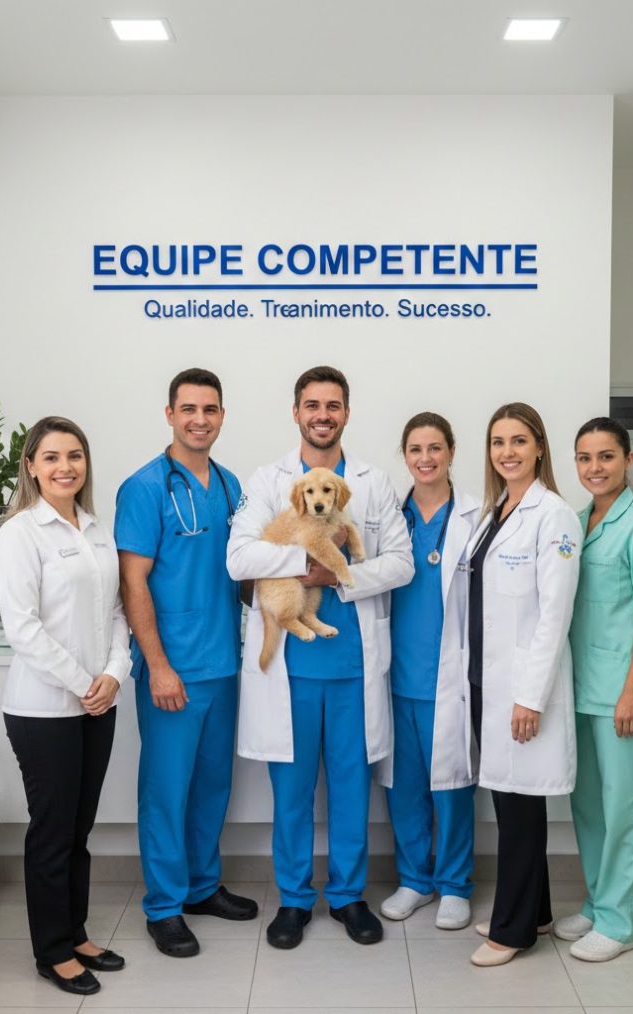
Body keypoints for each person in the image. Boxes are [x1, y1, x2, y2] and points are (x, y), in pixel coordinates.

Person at [227, 365, 414, 950]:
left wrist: (340, 578)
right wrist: (305, 566)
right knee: (292, 790)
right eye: (312, 405)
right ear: (297, 413)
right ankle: (293, 899)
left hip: (354, 664)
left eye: (333, 405)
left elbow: (402, 562)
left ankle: (349, 896)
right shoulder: (268, 481)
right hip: (292, 668)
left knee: (352, 788)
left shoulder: (373, 483)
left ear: (346, 414)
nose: (322, 415)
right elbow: (239, 557)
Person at [115, 368, 257, 960]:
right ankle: (164, 906)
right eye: (190, 409)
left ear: (222, 416)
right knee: (166, 792)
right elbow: (133, 582)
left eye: (211, 409)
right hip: (172, 668)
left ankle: (201, 887)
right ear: (170, 414)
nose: (201, 419)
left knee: (212, 786)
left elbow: (243, 569)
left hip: (223, 663)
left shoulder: (229, 484)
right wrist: (158, 664)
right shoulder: (144, 488)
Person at [0, 416, 131, 996]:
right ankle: (52, 951)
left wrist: (114, 674)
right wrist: (83, 682)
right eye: (51, 457)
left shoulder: (95, 529)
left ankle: (74, 933)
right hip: (43, 709)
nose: (65, 467)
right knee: (52, 831)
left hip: (97, 703)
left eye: (74, 455)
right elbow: (22, 629)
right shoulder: (19, 534)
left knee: (79, 828)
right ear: (30, 465)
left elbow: (117, 611)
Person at [466, 402, 581, 967]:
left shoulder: (553, 516)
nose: (507, 452)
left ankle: (511, 932)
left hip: (521, 689)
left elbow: (554, 616)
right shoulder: (498, 511)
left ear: (539, 447)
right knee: (513, 805)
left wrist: (530, 697)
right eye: (498, 442)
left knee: (518, 811)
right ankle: (534, 912)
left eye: (518, 441)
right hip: (488, 682)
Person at [556, 417, 633, 962]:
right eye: (585, 457)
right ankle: (600, 903)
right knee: (590, 809)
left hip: (624, 694)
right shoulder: (577, 523)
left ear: (628, 459)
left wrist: (632, 692)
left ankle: (621, 923)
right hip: (582, 690)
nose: (595, 467)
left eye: (606, 456)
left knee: (626, 811)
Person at [379, 412, 479, 931]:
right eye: (416, 449)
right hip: (397, 675)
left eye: (435, 448)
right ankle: (415, 879)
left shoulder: (476, 517)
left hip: (451, 676)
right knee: (404, 786)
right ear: (405, 456)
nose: (425, 458)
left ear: (451, 452)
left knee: (454, 786)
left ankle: (455, 884)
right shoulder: (390, 519)